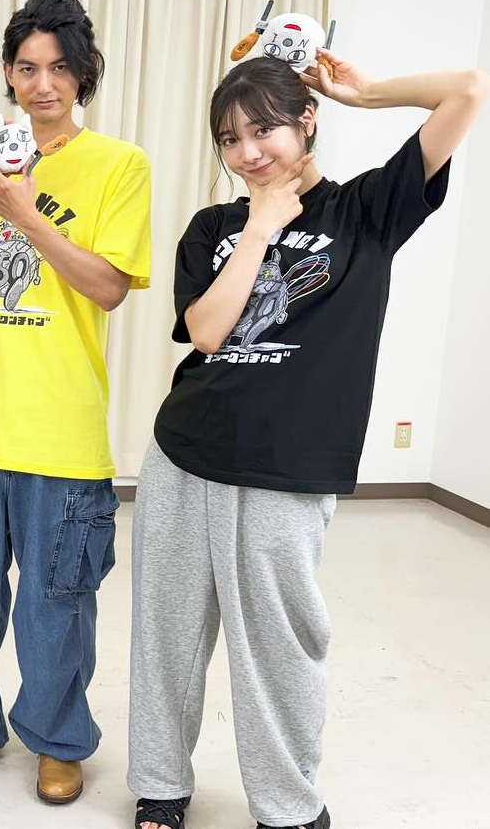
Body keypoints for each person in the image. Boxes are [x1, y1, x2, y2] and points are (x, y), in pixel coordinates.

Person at [127, 49, 489, 829]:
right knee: (167, 633)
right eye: (230, 138)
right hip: (186, 450)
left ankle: (286, 804)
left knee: (281, 645)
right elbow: (207, 332)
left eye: (264, 129)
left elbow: (466, 90)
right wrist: (257, 228)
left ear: (305, 122)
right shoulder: (213, 226)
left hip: (287, 466)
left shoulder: (365, 212)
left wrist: (364, 93)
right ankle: (159, 783)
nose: (248, 151)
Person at [0, 0, 150, 804]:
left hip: (60, 428)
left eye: (58, 68)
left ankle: (56, 739)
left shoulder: (119, 165)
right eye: (26, 67)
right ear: (9, 75)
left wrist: (26, 212)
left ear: (83, 75)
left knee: (58, 599)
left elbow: (109, 285)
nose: (42, 84)